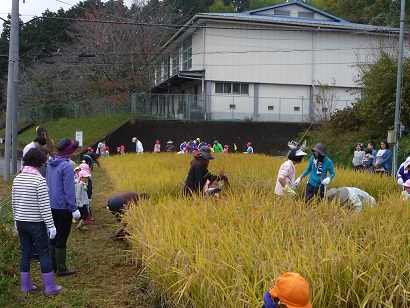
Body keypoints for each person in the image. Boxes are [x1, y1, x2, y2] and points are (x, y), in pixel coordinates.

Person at [12, 148, 62, 295]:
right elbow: (44, 207)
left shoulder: (17, 178)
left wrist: (16, 219)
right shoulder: (39, 180)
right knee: (44, 253)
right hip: (36, 223)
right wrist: (51, 226)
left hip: (21, 221)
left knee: (25, 253)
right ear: (39, 162)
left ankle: (25, 286)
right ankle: (50, 287)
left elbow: (14, 202)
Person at [46, 138, 81, 276]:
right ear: (70, 151)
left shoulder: (50, 163)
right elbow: (68, 190)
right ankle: (61, 268)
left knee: (52, 235)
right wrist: (74, 209)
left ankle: (52, 265)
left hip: (50, 205)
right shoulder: (66, 166)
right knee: (62, 236)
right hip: (63, 208)